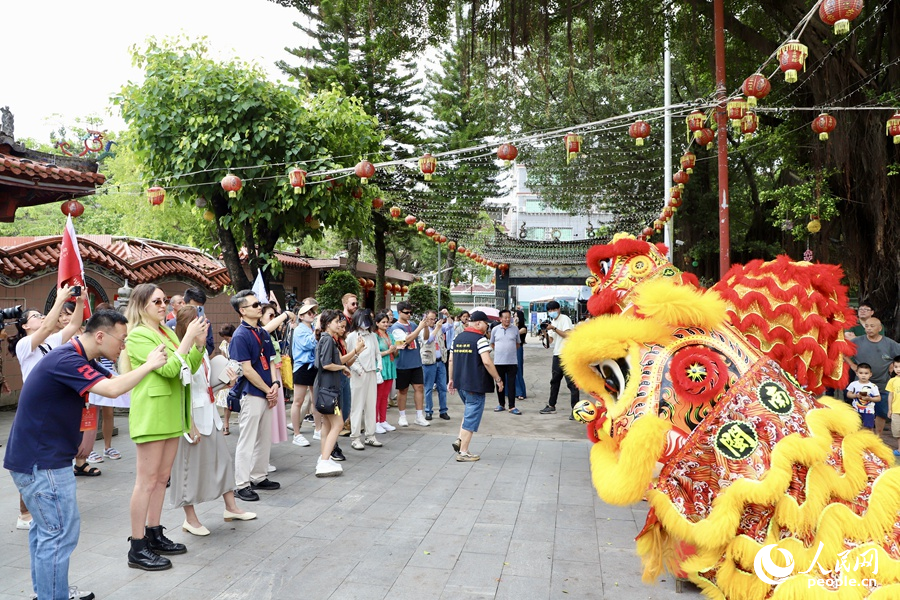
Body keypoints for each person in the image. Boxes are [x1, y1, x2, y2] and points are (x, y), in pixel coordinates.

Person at [5, 309, 168, 598]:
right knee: (58, 534)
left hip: (41, 458)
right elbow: (114, 387)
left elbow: (120, 390)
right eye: (122, 339)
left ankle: (49, 593)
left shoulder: (81, 358)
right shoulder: (67, 358)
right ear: (101, 335)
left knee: (47, 533)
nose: (124, 344)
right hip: (42, 462)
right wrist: (151, 365)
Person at [124, 283, 207, 570]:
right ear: (142, 306)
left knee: (161, 479)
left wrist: (198, 344)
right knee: (146, 482)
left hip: (172, 412)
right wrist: (186, 343)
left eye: (163, 301)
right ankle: (137, 546)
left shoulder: (166, 332)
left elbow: (188, 368)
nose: (163, 305)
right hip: (152, 413)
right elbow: (170, 369)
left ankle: (154, 532)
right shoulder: (137, 336)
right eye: (156, 301)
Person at [167, 305, 256, 536]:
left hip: (209, 413)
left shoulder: (202, 350)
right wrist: (189, 422)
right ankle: (190, 518)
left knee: (223, 461)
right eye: (202, 322)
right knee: (188, 468)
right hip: (192, 416)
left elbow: (203, 385)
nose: (207, 326)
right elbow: (180, 387)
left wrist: (222, 383)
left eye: (206, 321)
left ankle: (231, 507)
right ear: (189, 326)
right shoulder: (180, 350)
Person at [13, 285, 87, 533]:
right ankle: (24, 512)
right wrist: (60, 298)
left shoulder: (51, 342)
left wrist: (80, 302)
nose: (42, 319)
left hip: (53, 406)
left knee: (46, 458)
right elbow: (47, 327)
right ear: (24, 326)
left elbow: (73, 325)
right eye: (35, 316)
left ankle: (43, 504)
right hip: (33, 409)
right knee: (30, 461)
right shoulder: (24, 345)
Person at [229, 291, 281, 502]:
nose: (260, 307)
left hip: (266, 391)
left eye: (259, 304)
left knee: (264, 437)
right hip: (250, 392)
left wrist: (275, 383)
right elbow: (247, 370)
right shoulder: (240, 335)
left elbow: (271, 361)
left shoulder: (262, 332)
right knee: (247, 439)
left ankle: (259, 476)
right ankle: (241, 484)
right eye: (254, 305)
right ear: (242, 310)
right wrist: (268, 389)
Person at [447, 310, 504, 462]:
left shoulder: (457, 338)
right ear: (479, 323)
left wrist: (451, 379)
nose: (487, 327)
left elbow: (451, 360)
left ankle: (460, 439)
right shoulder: (480, 339)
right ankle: (464, 452)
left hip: (461, 384)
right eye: (486, 324)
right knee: (472, 416)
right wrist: (498, 379)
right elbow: (487, 361)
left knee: (468, 412)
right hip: (475, 384)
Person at [87, 302, 129, 462]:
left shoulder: (114, 338)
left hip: (108, 373)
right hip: (94, 376)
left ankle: (107, 446)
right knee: (91, 413)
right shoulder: (95, 336)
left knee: (108, 413)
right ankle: (87, 449)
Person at [314, 310, 353, 476]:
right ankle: (324, 461)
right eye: (337, 321)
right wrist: (343, 367)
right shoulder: (328, 339)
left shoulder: (325, 338)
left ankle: (325, 457)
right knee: (337, 424)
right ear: (328, 323)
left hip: (324, 388)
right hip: (329, 389)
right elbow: (326, 364)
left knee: (327, 425)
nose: (340, 325)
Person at [847, 317, 900, 437]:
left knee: (881, 412)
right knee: (861, 411)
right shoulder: (857, 341)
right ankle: (863, 437)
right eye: (867, 326)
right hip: (861, 386)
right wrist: (852, 364)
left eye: (872, 326)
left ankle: (878, 437)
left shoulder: (889, 343)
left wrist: (894, 365)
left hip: (882, 384)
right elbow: (843, 352)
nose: (869, 329)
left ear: (880, 328)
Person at [260, 303, 296, 465]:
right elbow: (266, 329)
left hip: (275, 377)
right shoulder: (259, 332)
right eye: (270, 315)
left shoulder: (272, 335)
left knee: (272, 418)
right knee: (266, 420)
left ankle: (264, 458)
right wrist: (285, 315)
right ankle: (261, 460)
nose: (274, 320)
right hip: (266, 378)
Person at [345, 309, 382, 450]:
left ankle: (370, 435)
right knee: (357, 406)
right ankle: (355, 437)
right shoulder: (352, 337)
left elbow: (378, 353)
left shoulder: (372, 336)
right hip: (358, 374)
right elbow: (349, 357)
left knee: (371, 405)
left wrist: (379, 366)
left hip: (372, 372)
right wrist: (357, 369)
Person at [389, 301, 430, 427]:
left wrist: (426, 326)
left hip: (416, 362)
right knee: (403, 390)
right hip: (402, 363)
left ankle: (419, 416)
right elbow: (405, 340)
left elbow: (425, 338)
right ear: (399, 312)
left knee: (419, 388)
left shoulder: (413, 324)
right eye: (406, 312)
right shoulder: (396, 327)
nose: (409, 315)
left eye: (410, 312)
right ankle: (402, 416)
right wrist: (419, 328)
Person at [539, 300, 580, 416]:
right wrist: (545, 333)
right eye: (550, 310)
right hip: (557, 355)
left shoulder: (564, 319)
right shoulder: (552, 322)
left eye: (554, 309)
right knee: (554, 382)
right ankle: (551, 405)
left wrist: (554, 328)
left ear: (559, 309)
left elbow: (568, 334)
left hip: (567, 354)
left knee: (571, 383)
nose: (552, 312)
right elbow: (550, 342)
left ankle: (575, 409)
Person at [290, 301, 318, 447]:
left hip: (313, 366)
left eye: (313, 312)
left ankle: (318, 429)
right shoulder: (299, 330)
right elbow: (308, 344)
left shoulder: (312, 328)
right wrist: (316, 332)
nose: (312, 315)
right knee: (298, 401)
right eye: (309, 313)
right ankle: (296, 433)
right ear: (301, 316)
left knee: (316, 399)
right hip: (302, 366)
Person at [491, 309, 522, 414]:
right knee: (500, 383)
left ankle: (512, 406)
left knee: (511, 384)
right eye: (505, 317)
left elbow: (518, 344)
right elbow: (492, 343)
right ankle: (501, 404)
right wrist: (501, 351)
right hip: (498, 362)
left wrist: (509, 351)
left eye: (509, 317)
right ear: (500, 319)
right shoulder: (495, 329)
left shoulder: (515, 329)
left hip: (512, 362)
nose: (507, 319)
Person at [420, 310, 450, 420]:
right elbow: (427, 340)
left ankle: (443, 410)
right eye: (430, 319)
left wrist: (447, 315)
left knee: (442, 387)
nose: (433, 321)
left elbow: (450, 325)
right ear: (425, 319)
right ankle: (428, 411)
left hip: (440, 361)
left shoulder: (439, 328)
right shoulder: (423, 329)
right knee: (428, 388)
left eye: (434, 319)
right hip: (429, 363)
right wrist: (436, 328)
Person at [166, 287, 214, 354]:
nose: (195, 312)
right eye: (193, 307)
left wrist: (202, 340)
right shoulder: (171, 324)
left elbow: (210, 350)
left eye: (199, 309)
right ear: (184, 303)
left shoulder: (205, 323)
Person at [374, 310, 398, 434]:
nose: (386, 324)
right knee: (378, 396)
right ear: (377, 323)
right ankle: (376, 421)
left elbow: (396, 352)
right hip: (380, 367)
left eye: (387, 322)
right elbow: (375, 353)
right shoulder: (375, 336)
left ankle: (383, 420)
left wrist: (395, 350)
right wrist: (389, 351)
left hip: (390, 366)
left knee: (385, 396)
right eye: (383, 322)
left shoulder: (390, 336)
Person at [339, 293, 359, 432]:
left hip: (351, 361)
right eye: (353, 304)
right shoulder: (340, 319)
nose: (355, 306)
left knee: (349, 398)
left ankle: (347, 422)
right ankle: (340, 424)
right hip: (342, 364)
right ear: (345, 304)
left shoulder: (355, 320)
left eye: (356, 303)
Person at [846, 363, 880, 431]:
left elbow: (878, 398)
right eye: (861, 373)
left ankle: (868, 439)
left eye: (866, 373)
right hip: (855, 410)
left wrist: (869, 398)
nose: (863, 375)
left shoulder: (873, 386)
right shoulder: (853, 384)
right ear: (857, 373)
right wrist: (855, 395)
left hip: (868, 411)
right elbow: (848, 394)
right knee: (855, 426)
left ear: (870, 374)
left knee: (868, 427)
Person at [217, 324, 236, 435]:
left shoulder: (238, 342)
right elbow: (223, 359)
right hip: (228, 372)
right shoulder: (224, 344)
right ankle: (226, 424)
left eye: (227, 338)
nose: (226, 340)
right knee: (226, 400)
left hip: (238, 371)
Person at [885, 357, 900, 457]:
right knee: (897, 431)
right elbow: (890, 395)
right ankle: (899, 449)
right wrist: (890, 409)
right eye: (896, 367)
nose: (898, 369)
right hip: (895, 410)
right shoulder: (892, 381)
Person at [513, 305, 528, 402]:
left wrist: (515, 324)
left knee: (518, 369)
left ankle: (520, 392)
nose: (514, 318)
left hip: (518, 348)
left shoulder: (523, 328)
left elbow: (514, 334)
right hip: (511, 349)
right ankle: (512, 390)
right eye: (513, 316)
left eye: (515, 316)